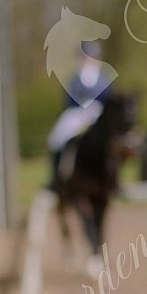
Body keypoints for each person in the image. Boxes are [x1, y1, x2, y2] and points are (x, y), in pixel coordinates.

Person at [47, 41, 115, 189]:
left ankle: (114, 179)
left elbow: (109, 100)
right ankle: (58, 177)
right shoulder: (75, 80)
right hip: (77, 114)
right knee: (56, 138)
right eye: (86, 57)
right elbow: (69, 100)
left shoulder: (104, 80)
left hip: (99, 114)